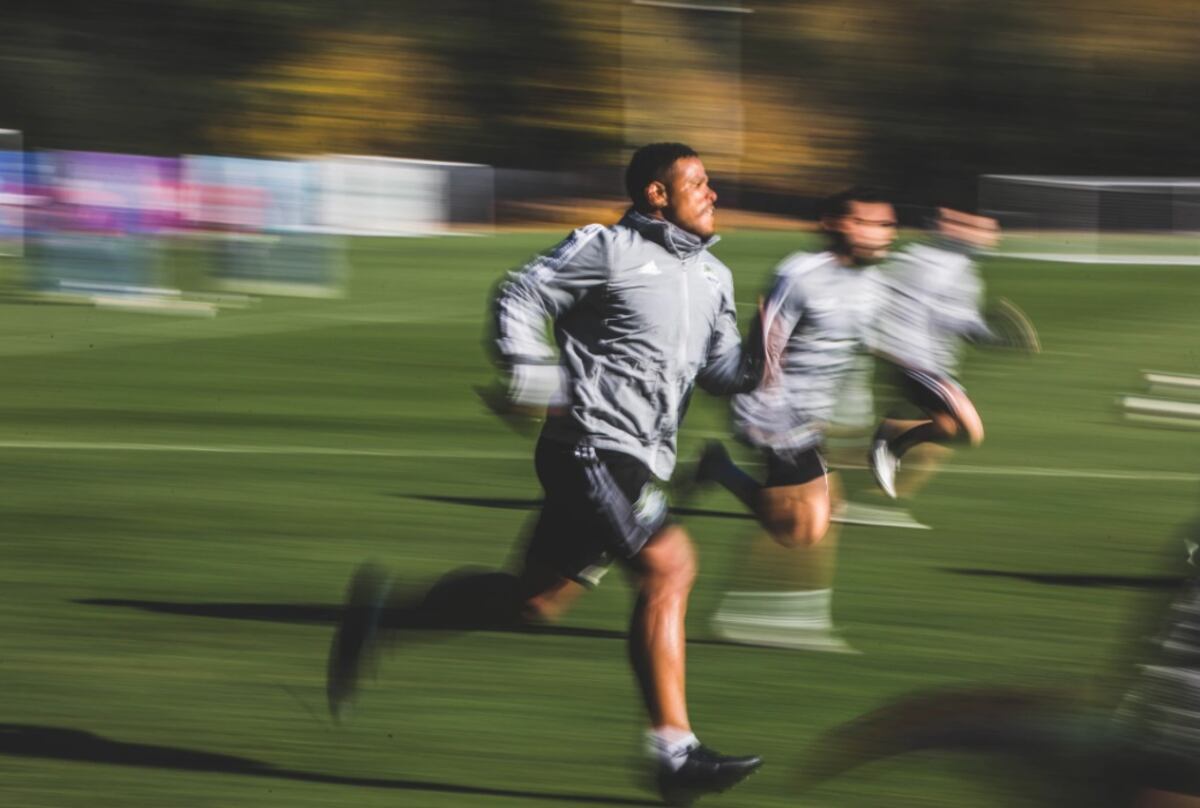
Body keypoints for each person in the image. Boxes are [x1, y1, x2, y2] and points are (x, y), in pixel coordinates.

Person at [326, 142, 765, 806]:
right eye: (697, 183)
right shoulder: (607, 248)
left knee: (533, 601)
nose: (712, 193)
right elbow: (521, 291)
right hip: (589, 446)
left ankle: (384, 617)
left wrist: (761, 359)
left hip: (640, 456)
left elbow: (719, 371)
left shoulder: (715, 278)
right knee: (670, 566)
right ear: (655, 193)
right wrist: (530, 371)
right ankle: (674, 753)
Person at [695, 187, 897, 650]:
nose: (880, 233)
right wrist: (765, 411)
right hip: (774, 411)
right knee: (805, 528)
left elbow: (867, 343)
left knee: (822, 512)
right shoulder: (800, 275)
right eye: (867, 221)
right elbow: (767, 343)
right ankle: (772, 617)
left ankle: (718, 469)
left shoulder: (872, 282)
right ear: (834, 223)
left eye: (886, 224)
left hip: (812, 415)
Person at [867, 207, 1036, 499]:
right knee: (969, 430)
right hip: (914, 360)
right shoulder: (943, 267)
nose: (992, 236)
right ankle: (887, 446)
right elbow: (955, 320)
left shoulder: (944, 262)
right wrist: (999, 338)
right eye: (984, 229)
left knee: (945, 426)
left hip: (918, 360)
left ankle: (886, 445)